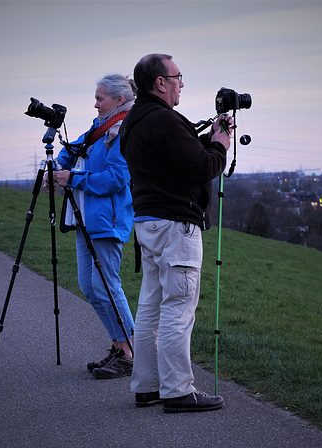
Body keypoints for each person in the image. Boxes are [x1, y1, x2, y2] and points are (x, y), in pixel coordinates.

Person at [119, 54, 233, 412]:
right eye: (178, 76)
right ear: (160, 83)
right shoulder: (164, 120)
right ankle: (177, 390)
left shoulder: (134, 121)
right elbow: (202, 167)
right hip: (175, 226)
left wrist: (203, 135)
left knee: (151, 307)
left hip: (147, 223)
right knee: (178, 308)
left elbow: (170, 158)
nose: (182, 82)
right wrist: (221, 145)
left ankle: (148, 386)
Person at [46, 74, 136, 379]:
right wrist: (58, 166)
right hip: (84, 218)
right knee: (89, 286)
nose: (95, 103)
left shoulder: (123, 130)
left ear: (119, 100)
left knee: (107, 286)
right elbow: (71, 149)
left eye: (100, 98)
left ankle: (130, 353)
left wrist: (72, 178)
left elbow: (117, 179)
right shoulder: (100, 128)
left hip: (107, 220)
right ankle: (118, 345)